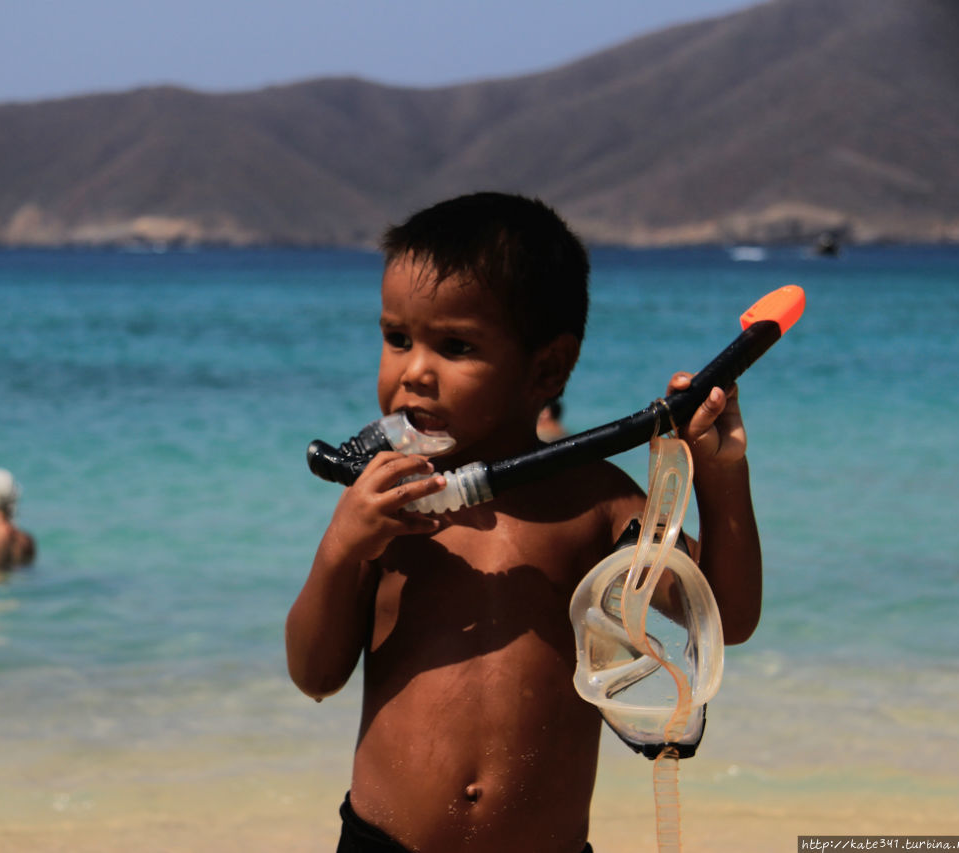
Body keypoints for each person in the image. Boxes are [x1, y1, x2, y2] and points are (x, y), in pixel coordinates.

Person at [285, 192, 762, 853]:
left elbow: (726, 619)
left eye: (454, 345)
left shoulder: (593, 504)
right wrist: (341, 547)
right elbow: (314, 673)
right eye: (397, 338)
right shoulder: (386, 507)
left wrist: (720, 472)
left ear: (547, 368)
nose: (414, 370)